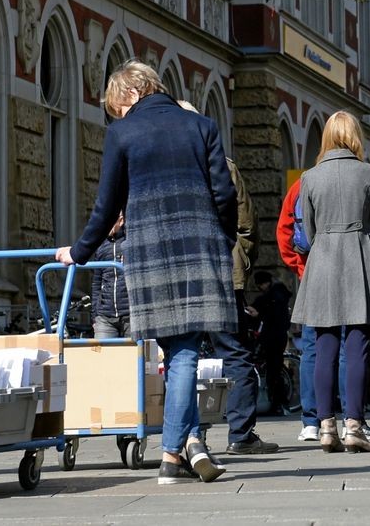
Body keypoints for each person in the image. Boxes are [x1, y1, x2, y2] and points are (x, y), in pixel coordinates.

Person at [57, 60, 235, 485]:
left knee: (178, 353)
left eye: (118, 107)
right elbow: (224, 194)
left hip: (149, 250)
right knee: (185, 350)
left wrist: (79, 252)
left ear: (132, 93)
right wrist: (221, 239)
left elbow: (107, 205)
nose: (119, 116)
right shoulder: (202, 127)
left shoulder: (123, 133)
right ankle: (191, 444)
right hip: (198, 246)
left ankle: (172, 453)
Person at [291, 111, 370, 453]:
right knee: (356, 348)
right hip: (359, 260)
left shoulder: (309, 178)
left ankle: (325, 427)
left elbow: (307, 230)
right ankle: (354, 426)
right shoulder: (369, 173)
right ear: (354, 137)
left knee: (323, 348)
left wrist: (324, 243)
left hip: (322, 261)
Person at [176, 100, 276, 455]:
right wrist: (241, 263)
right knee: (234, 352)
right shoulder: (225, 166)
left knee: (182, 354)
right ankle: (240, 435)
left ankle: (190, 436)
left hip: (182, 278)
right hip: (222, 277)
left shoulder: (169, 166)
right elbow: (248, 225)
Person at [278, 176, 370, 443]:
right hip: (353, 276)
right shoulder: (361, 177)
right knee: (349, 350)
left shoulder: (302, 185)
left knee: (313, 349)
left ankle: (312, 422)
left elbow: (284, 232)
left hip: (316, 277)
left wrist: (302, 269)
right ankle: (353, 420)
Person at [252, 271, 293, 415]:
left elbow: (270, 313)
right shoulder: (279, 294)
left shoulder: (273, 296)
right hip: (278, 337)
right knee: (275, 371)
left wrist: (259, 314)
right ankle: (278, 404)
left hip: (273, 338)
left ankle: (278, 404)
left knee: (274, 372)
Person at [90, 213, 131, 338]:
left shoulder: (131, 241)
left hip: (131, 315)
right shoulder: (101, 246)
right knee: (104, 356)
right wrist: (94, 316)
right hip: (105, 316)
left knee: (135, 356)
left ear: (121, 219)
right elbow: (96, 283)